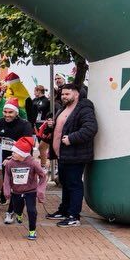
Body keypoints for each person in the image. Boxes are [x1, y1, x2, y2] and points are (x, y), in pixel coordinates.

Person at [48, 84, 97, 227]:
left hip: (76, 154)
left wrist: (71, 138)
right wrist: (52, 125)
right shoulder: (64, 108)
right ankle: (64, 210)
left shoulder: (84, 108)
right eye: (62, 94)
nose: (64, 96)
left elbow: (90, 128)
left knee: (74, 184)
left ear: (76, 94)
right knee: (65, 183)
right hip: (62, 154)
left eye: (67, 94)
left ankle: (74, 216)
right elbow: (63, 126)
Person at [0, 99, 36, 218]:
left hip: (21, 158)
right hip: (6, 155)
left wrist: (15, 155)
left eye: (10, 112)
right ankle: (3, 200)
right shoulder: (0, 122)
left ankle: (11, 210)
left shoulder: (25, 125)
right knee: (5, 177)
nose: (7, 115)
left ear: (16, 112)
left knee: (17, 183)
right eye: (5, 112)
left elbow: (28, 143)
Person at [3, 136, 48, 239]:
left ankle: (32, 231)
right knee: (17, 208)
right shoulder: (10, 163)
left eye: (15, 152)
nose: (12, 154)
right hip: (16, 191)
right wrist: (7, 190)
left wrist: (40, 191)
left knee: (31, 211)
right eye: (12, 152)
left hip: (30, 191)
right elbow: (7, 177)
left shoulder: (33, 163)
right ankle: (19, 214)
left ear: (22, 153)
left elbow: (43, 176)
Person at [26, 84, 53, 169]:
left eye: (35, 91)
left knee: (44, 145)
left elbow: (43, 109)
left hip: (44, 124)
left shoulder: (46, 101)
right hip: (36, 124)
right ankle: (43, 164)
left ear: (39, 91)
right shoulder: (34, 100)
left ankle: (47, 164)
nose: (34, 93)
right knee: (40, 145)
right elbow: (30, 111)